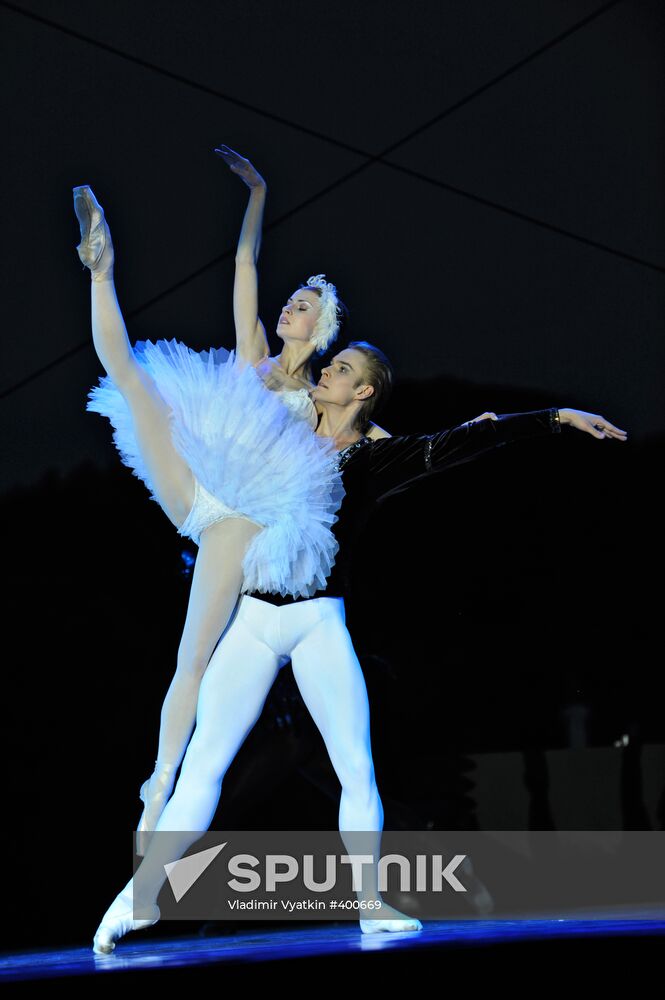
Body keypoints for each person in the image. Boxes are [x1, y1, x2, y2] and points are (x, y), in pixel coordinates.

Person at [91, 341, 627, 952]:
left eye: (342, 369)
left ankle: (369, 903)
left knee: (355, 768)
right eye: (331, 363)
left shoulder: (374, 459)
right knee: (204, 765)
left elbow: (458, 445)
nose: (327, 371)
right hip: (254, 620)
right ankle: (136, 899)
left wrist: (554, 419)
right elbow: (249, 363)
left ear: (363, 393)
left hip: (319, 622)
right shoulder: (283, 424)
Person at [73, 159, 390, 858]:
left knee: (193, 656)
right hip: (199, 482)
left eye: (303, 304)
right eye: (290, 300)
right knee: (133, 381)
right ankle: (101, 267)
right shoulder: (252, 355)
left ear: (323, 326)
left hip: (241, 519)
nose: (288, 308)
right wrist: (257, 194)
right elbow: (244, 259)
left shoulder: (321, 401)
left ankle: (159, 785)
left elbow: (367, 446)